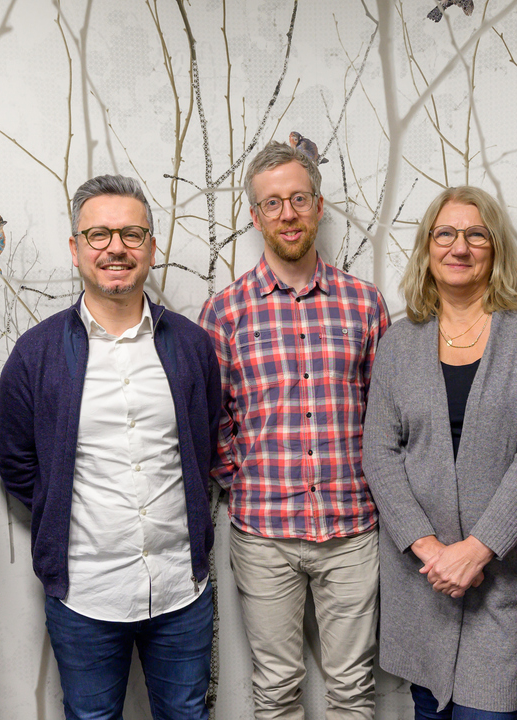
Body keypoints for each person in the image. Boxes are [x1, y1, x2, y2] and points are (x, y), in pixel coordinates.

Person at [0, 175, 220, 720]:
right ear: (75, 248)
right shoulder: (36, 353)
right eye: (98, 235)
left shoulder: (191, 345)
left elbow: (205, 442)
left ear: (151, 247)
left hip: (181, 588)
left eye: (131, 234)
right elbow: (18, 464)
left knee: (188, 714)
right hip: (85, 593)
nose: (115, 248)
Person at [361, 186, 517, 720]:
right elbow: (380, 454)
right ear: (427, 248)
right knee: (427, 710)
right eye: (446, 234)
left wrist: (476, 552)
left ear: (495, 247)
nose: (460, 247)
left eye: (476, 234)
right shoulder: (399, 342)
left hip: (501, 580)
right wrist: (432, 552)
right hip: (423, 580)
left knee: (488, 711)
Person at [199, 140, 389, 720]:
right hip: (264, 534)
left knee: (352, 688)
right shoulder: (225, 312)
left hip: (351, 529)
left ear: (319, 206)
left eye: (299, 199)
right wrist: (242, 475)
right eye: (273, 203)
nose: (288, 214)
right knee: (276, 688)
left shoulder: (364, 304)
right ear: (255, 217)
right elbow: (211, 416)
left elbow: (386, 412)